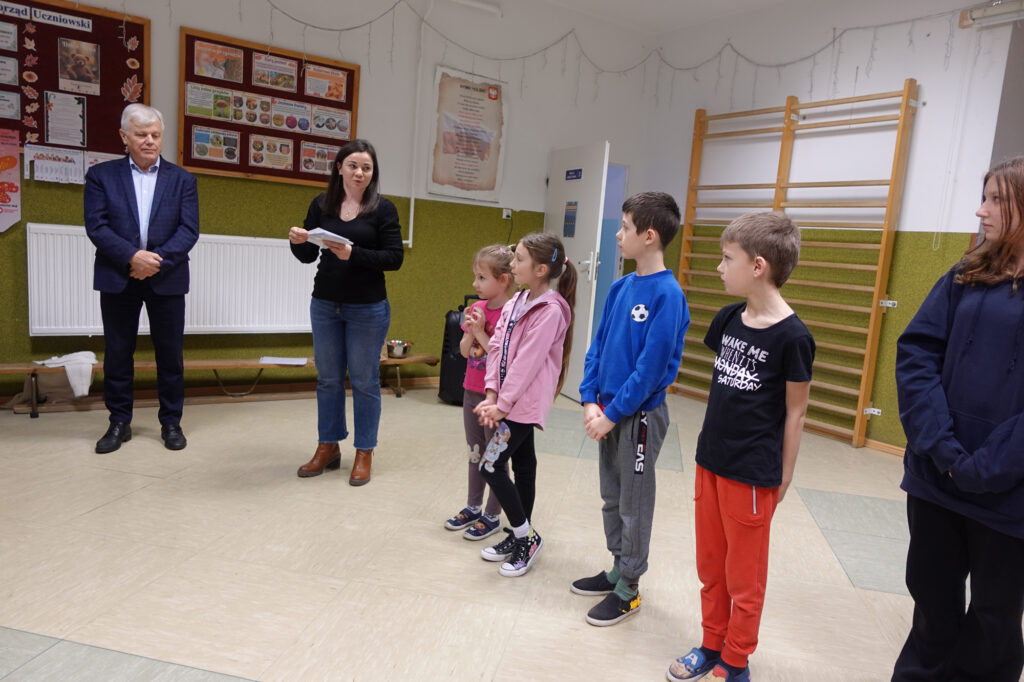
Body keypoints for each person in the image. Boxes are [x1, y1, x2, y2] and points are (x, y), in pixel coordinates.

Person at [890, 156, 1024, 682]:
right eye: (983, 197)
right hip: (936, 476)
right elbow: (916, 353)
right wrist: (943, 449)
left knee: (995, 619)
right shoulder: (965, 273)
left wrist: (987, 467)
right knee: (932, 603)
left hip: (1009, 494)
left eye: (996, 200)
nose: (981, 210)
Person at [668, 212, 814, 682]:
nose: (719, 267)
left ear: (758, 266)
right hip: (710, 462)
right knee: (711, 566)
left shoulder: (794, 337)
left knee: (744, 579)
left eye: (727, 258)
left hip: (751, 474)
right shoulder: (729, 318)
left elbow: (796, 412)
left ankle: (735, 660)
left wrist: (784, 476)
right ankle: (712, 643)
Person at [573, 191, 689, 626]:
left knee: (633, 504)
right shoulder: (621, 286)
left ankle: (629, 588)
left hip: (637, 417)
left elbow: (650, 371)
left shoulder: (668, 295)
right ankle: (617, 568)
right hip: (607, 411)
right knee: (612, 496)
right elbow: (598, 347)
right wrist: (589, 399)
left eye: (624, 228)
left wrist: (612, 415)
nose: (618, 235)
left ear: (649, 235)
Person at [84, 104, 199, 454]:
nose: (150, 141)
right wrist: (132, 257)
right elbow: (97, 225)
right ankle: (119, 421)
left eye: (155, 135)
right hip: (118, 274)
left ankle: (171, 422)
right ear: (125, 137)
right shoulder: (101, 176)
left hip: (167, 276)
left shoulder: (183, 180)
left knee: (170, 354)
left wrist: (154, 262)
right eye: (141, 134)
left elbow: (189, 229)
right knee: (119, 353)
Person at [288, 139, 403, 485]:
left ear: (372, 173)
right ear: (339, 168)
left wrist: (353, 254)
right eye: (353, 165)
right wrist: (297, 242)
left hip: (367, 307)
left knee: (365, 381)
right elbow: (308, 256)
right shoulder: (321, 204)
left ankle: (364, 450)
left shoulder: (383, 209)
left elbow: (394, 258)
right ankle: (328, 446)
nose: (359, 173)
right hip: (325, 304)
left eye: (366, 167)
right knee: (328, 379)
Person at [474, 232, 576, 577]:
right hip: (507, 401)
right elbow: (497, 347)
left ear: (541, 270)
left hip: (522, 404)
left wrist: (502, 405)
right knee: (524, 464)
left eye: (519, 259)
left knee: (490, 466)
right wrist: (492, 393)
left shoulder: (551, 310)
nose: (512, 263)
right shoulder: (517, 300)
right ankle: (520, 534)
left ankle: (526, 537)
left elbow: (527, 363)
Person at [444, 244, 515, 541]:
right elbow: (464, 351)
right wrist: (471, 330)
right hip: (471, 390)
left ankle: (492, 514)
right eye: (475, 276)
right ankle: (473, 506)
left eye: (482, 278)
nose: (475, 284)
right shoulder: (477, 309)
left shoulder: (510, 314)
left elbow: (500, 356)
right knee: (475, 452)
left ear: (503, 280)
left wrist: (482, 332)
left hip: (494, 398)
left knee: (494, 456)